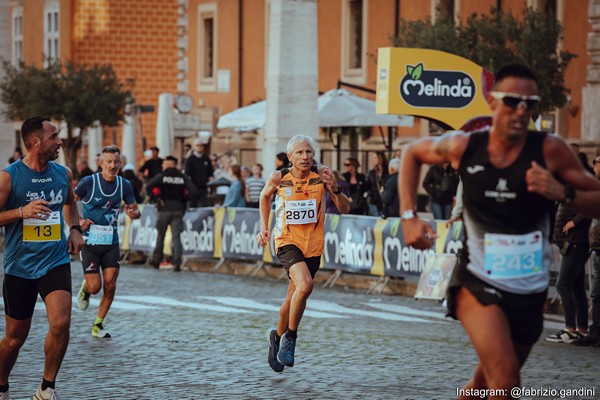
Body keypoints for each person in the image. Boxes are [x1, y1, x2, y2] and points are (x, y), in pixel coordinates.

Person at [399, 63, 600, 399]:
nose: (521, 110)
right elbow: (412, 153)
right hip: (478, 281)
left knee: (484, 386)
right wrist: (408, 216)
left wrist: (561, 192)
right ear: (492, 101)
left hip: (529, 289)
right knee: (506, 382)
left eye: (529, 103)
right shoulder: (465, 146)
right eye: (511, 101)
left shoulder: (550, 150)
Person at [0, 116, 84, 400]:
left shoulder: (64, 174)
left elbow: (70, 203)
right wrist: (21, 212)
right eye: (54, 137)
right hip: (20, 267)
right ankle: (1, 385)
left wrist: (73, 229)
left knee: (61, 325)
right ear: (36, 142)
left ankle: (47, 388)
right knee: (15, 339)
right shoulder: (9, 177)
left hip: (54, 262)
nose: (59, 141)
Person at [256, 135, 349, 373]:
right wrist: (263, 227)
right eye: (299, 153)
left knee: (292, 298)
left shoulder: (323, 174)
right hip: (287, 241)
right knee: (305, 286)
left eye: (308, 152)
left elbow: (344, 208)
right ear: (290, 157)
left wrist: (335, 187)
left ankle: (276, 338)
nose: (305, 157)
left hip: (313, 245)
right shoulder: (279, 177)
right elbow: (264, 197)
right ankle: (291, 338)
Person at [74, 145, 141, 339]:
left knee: (110, 285)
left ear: (120, 164)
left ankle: (98, 324)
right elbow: (68, 202)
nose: (112, 166)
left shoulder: (124, 185)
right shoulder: (88, 182)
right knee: (95, 287)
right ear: (101, 163)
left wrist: (134, 213)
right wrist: (78, 221)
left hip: (111, 240)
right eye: (108, 162)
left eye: (116, 162)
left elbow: (135, 211)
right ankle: (86, 289)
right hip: (90, 242)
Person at [545, 197, 591, 343]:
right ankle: (582, 330)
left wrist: (574, 222)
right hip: (572, 243)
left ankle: (570, 329)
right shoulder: (570, 187)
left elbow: (591, 206)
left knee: (562, 285)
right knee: (577, 287)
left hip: (576, 242)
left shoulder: (581, 184)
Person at [145, 155, 197, 272]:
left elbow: (148, 186)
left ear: (169, 164)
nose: (162, 165)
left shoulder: (162, 176)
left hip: (164, 209)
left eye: (164, 163)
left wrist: (156, 199)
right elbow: (193, 191)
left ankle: (156, 261)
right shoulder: (182, 177)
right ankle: (177, 262)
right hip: (178, 209)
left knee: (161, 236)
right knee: (176, 237)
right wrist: (184, 200)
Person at [574, 153, 600, 346]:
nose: (594, 168)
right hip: (596, 247)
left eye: (597, 164)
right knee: (595, 293)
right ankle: (595, 331)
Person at [184, 139, 214, 207]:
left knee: (204, 205)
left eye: (201, 145)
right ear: (194, 147)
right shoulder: (190, 160)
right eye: (198, 145)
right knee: (193, 205)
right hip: (193, 188)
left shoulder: (206, 159)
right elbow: (187, 174)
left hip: (204, 188)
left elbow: (210, 173)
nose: (200, 147)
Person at [366, 151, 389, 216]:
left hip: (384, 200)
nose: (375, 159)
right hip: (373, 200)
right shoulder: (371, 172)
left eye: (376, 157)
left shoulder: (387, 172)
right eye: (374, 158)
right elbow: (367, 185)